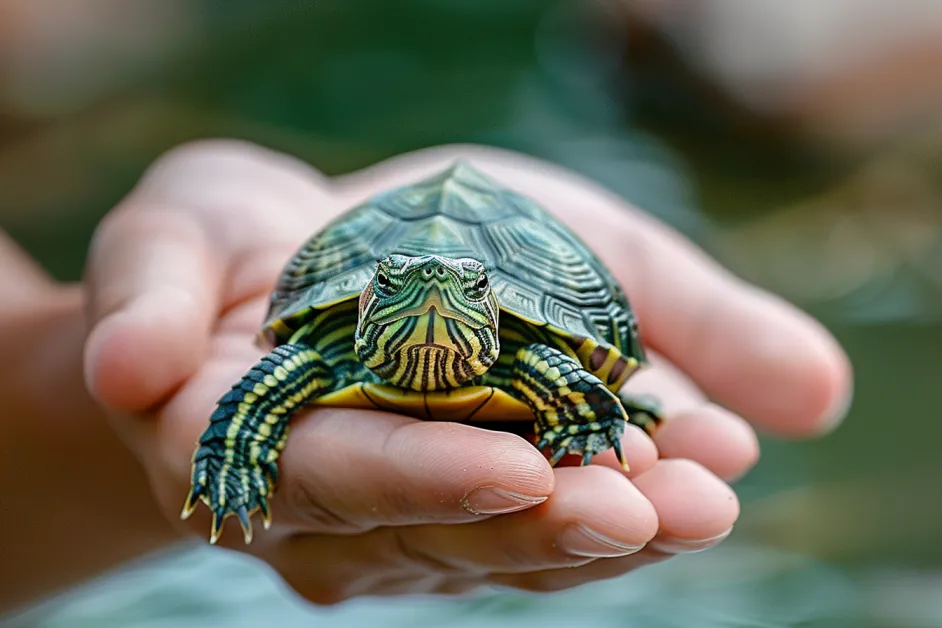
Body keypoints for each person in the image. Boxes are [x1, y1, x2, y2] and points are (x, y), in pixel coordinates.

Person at [2, 140, 852, 613]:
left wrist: (588, 410)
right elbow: (259, 383)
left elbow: (572, 371)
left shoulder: (527, 357)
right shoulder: (323, 354)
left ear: (485, 307)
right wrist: (227, 450)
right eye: (401, 288)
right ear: (372, 304)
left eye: (463, 290)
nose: (435, 290)